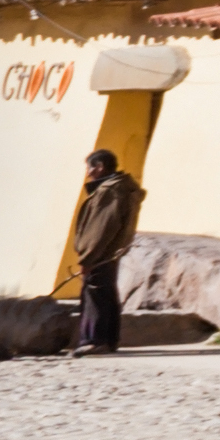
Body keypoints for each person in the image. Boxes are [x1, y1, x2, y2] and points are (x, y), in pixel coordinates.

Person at [68, 140, 141, 356]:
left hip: (101, 253)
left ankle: (95, 339)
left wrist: (88, 258)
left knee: (96, 293)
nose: (89, 173)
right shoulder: (121, 188)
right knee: (106, 292)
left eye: (90, 168)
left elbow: (101, 228)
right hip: (111, 252)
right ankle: (108, 340)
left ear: (99, 167)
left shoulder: (109, 191)